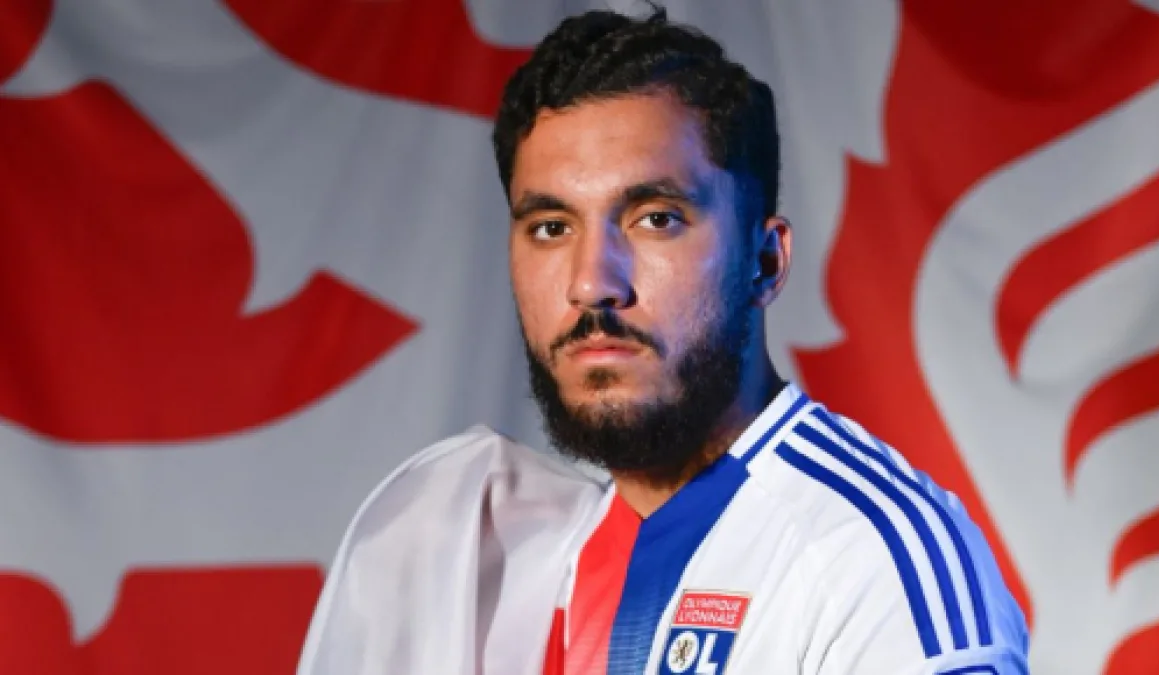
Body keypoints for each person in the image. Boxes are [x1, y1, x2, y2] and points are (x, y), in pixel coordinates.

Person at [297, 8, 1030, 675]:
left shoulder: (872, 563)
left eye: (655, 219)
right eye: (551, 227)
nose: (593, 282)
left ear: (764, 261)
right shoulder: (504, 564)